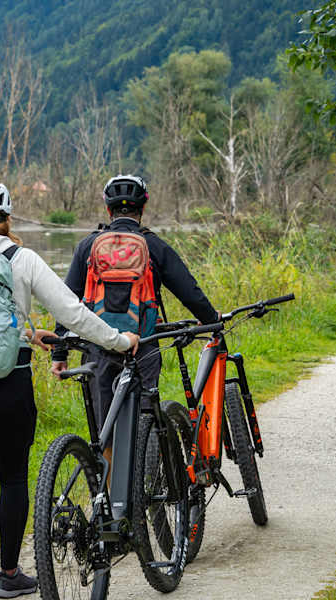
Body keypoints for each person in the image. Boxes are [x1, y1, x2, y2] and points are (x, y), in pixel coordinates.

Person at [0, 179, 139, 599]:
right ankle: (8, 575)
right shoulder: (21, 258)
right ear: (7, 220)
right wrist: (118, 342)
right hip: (10, 384)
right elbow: (73, 313)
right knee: (12, 480)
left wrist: (26, 333)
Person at [50, 174, 219, 459]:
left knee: (105, 427)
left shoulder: (87, 246)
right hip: (144, 345)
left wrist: (59, 351)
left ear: (107, 209)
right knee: (145, 421)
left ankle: (105, 497)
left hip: (97, 348)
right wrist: (211, 318)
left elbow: (67, 301)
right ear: (143, 208)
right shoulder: (154, 246)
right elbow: (188, 291)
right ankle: (143, 489)